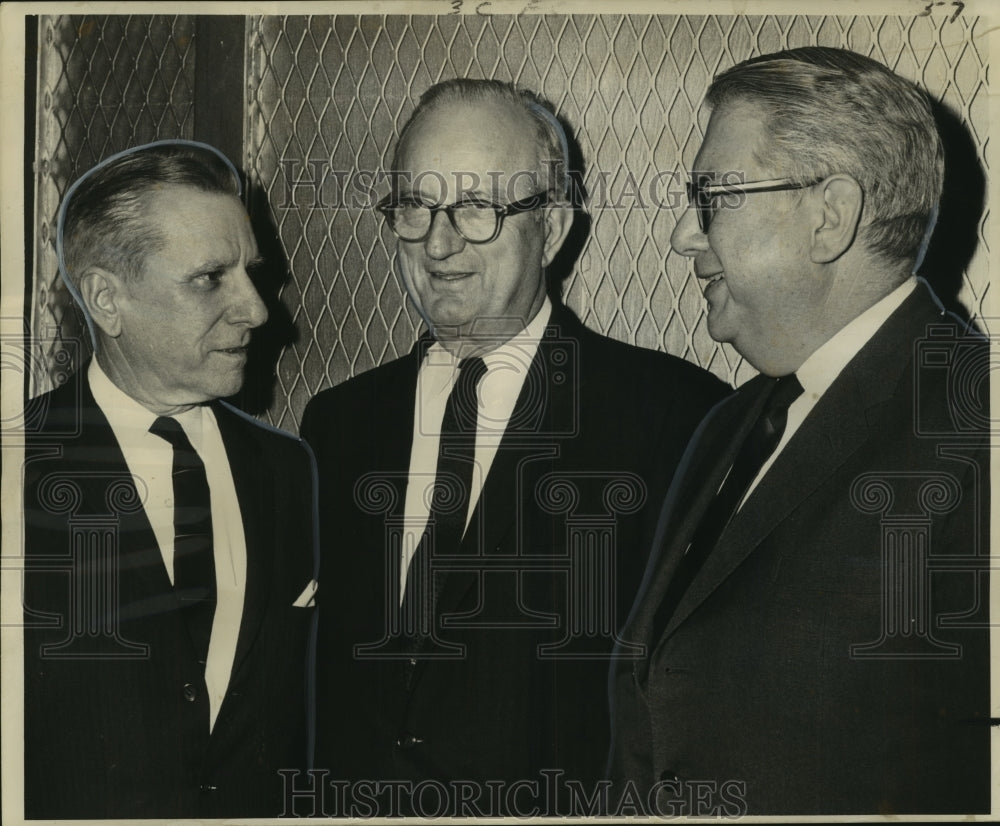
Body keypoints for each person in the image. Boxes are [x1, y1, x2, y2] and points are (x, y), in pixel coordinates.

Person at [300, 79, 728, 817]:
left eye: (476, 208)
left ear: (552, 229)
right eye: (416, 206)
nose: (438, 243)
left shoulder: (673, 417)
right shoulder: (337, 424)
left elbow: (697, 708)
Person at [608, 47, 990, 816]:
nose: (685, 235)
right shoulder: (729, 425)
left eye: (713, 195)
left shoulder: (976, 429)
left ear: (829, 216)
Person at [21, 142, 318, 819]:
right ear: (106, 298)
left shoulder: (288, 470)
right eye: (212, 277)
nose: (257, 309)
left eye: (252, 272)